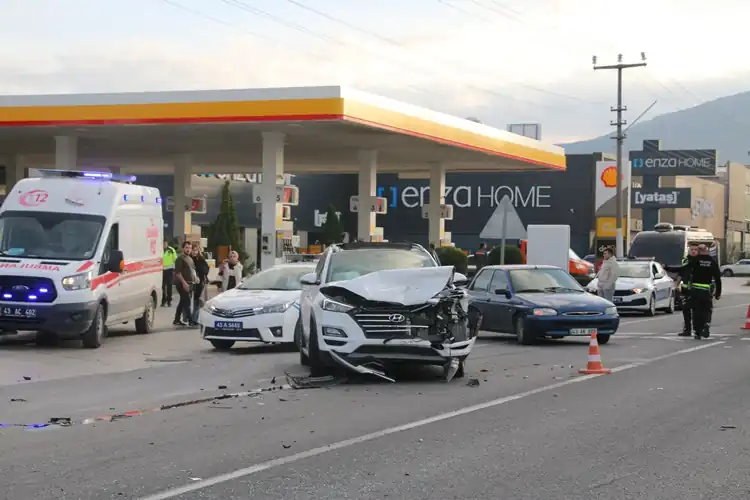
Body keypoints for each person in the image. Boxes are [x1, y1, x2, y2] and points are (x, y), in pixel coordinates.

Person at [665, 244, 721, 338]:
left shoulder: (695, 260)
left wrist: (666, 267)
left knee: (696, 311)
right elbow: (718, 278)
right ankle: (706, 325)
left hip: (695, 290)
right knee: (707, 310)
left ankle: (697, 331)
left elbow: (681, 269)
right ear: (707, 251)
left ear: (699, 251)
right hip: (706, 290)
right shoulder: (712, 262)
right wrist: (718, 293)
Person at [675, 244, 699, 336]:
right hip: (686, 291)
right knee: (686, 310)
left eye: (695, 250)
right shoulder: (685, 261)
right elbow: (681, 273)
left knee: (697, 311)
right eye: (691, 250)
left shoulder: (700, 261)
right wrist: (677, 284)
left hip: (697, 290)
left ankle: (698, 329)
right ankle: (687, 330)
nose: (693, 251)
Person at [173, 241, 197, 327]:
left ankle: (176, 319)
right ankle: (191, 321)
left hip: (190, 283)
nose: (188, 249)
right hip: (181, 283)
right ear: (183, 248)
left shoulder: (189, 258)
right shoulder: (180, 259)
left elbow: (193, 270)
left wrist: (196, 278)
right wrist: (184, 283)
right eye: (187, 247)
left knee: (182, 301)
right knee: (186, 301)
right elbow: (178, 273)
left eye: (190, 248)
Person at [190, 243, 210, 324]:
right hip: (190, 282)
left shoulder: (201, 259)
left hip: (199, 283)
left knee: (197, 301)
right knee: (187, 301)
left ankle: (194, 319)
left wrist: (199, 268)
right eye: (193, 250)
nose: (194, 252)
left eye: (196, 250)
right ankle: (187, 318)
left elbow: (206, 270)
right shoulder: (189, 259)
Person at [161, 240, 178, 307]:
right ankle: (163, 300)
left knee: (169, 286)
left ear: (167, 243)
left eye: (165, 243)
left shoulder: (171, 250)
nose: (164, 245)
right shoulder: (159, 250)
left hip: (169, 270)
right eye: (163, 244)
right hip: (162, 270)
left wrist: (174, 268)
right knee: (162, 286)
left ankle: (169, 300)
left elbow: (175, 259)